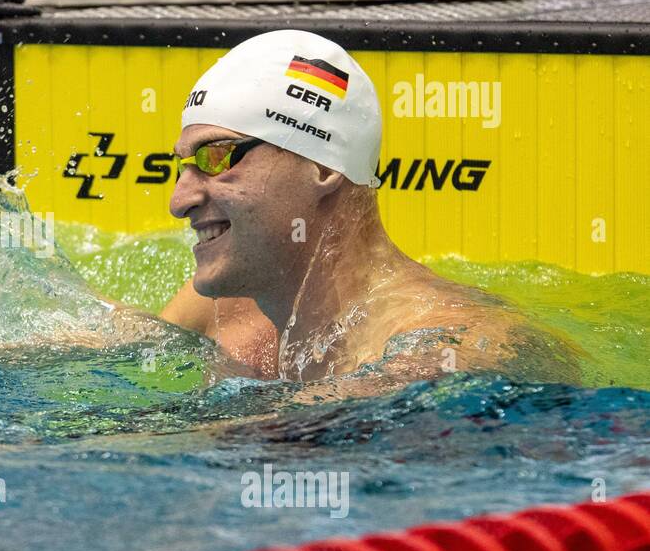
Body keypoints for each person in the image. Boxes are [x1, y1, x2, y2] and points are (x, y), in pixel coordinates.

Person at [160, 30, 580, 389]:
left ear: (321, 166)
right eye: (184, 166)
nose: (180, 202)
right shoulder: (226, 303)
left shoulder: (453, 347)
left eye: (216, 157)